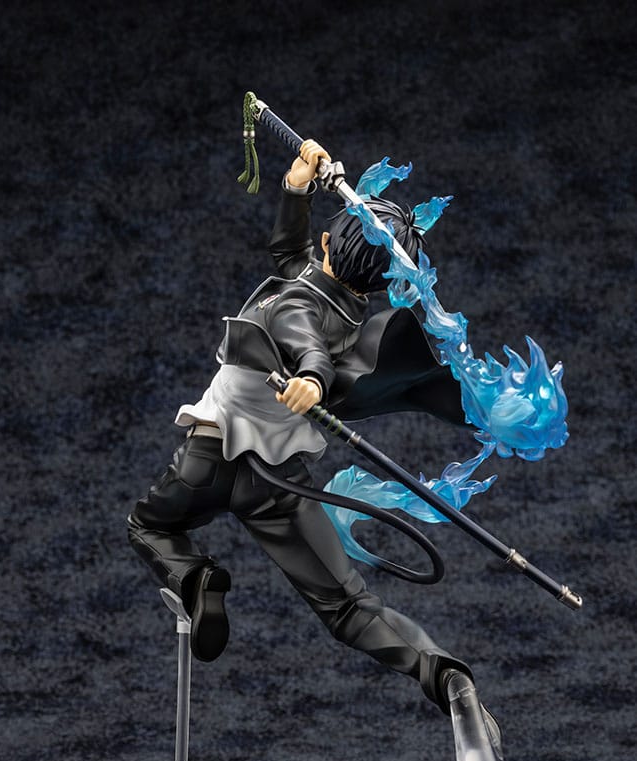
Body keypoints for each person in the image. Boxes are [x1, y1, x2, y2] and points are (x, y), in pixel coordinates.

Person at [127, 141, 484, 715]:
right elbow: (288, 256)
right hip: (277, 483)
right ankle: (440, 673)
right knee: (347, 605)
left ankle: (194, 577)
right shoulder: (345, 307)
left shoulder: (298, 303)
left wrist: (313, 380)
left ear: (327, 243)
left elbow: (306, 343)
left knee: (148, 525)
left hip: (209, 459)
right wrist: (296, 189)